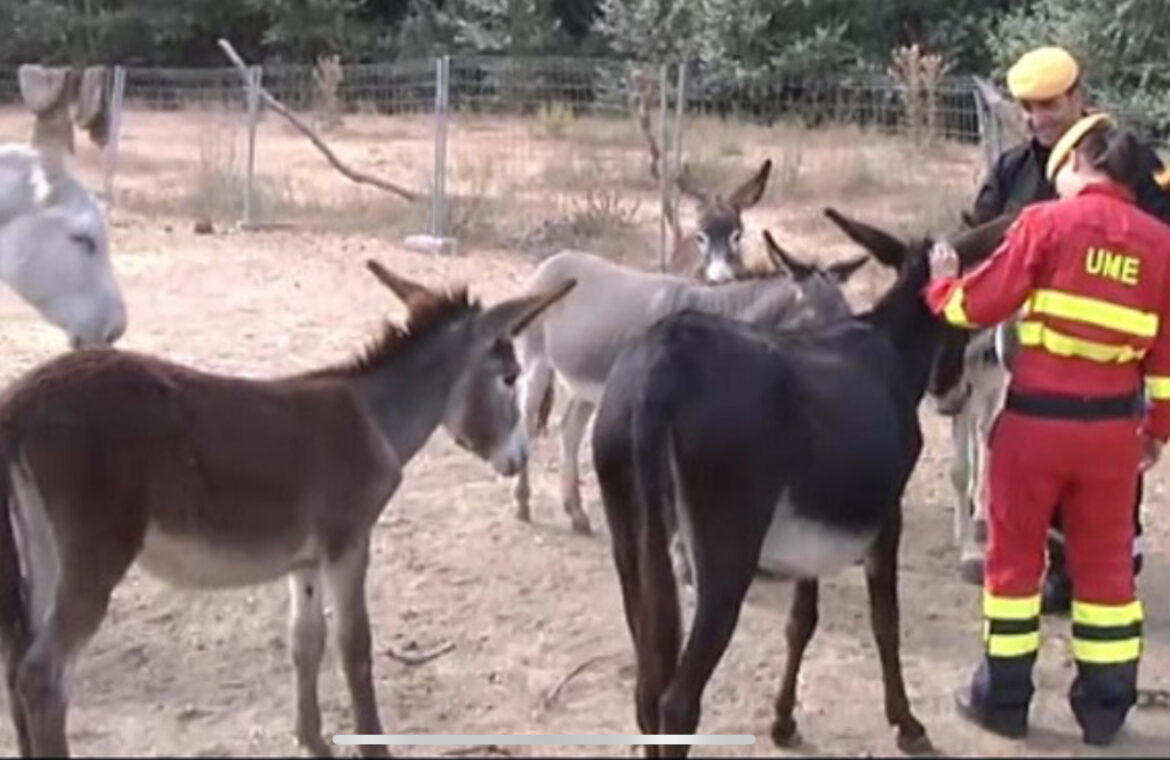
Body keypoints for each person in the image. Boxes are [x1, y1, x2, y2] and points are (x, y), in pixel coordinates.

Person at [924, 112, 1170, 746]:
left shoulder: (1044, 223)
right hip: (1114, 435)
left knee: (1012, 566)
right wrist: (1156, 432)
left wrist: (941, 284)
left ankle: (1002, 700)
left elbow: (979, 304)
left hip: (1036, 427)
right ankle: (1106, 708)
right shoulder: (1161, 245)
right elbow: (1166, 359)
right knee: (1107, 574)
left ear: (1080, 164)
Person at [962, 45, 1170, 615]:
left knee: (1113, 460)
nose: (1037, 118)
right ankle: (1058, 571)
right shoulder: (1010, 170)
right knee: (1040, 465)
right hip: (1032, 353)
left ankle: (1110, 559)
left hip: (1111, 348)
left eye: (1049, 104)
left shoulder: (1133, 162)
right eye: (1028, 108)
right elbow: (979, 241)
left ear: (1079, 95)